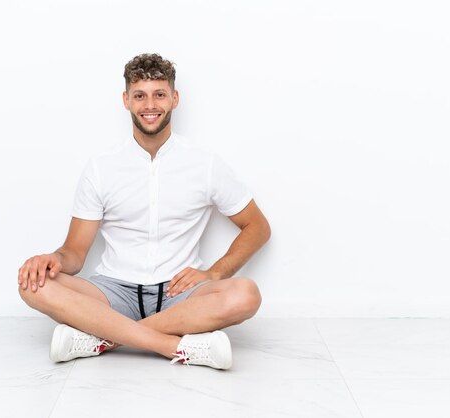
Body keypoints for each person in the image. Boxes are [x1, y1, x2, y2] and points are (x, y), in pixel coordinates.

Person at [17, 53, 271, 370]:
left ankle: (102, 339)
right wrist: (53, 259)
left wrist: (214, 273)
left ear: (174, 98)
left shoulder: (205, 164)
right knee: (32, 285)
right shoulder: (101, 167)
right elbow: (75, 252)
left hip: (180, 293)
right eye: (140, 95)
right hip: (111, 292)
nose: (150, 105)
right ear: (126, 100)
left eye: (159, 94)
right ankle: (173, 346)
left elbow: (257, 227)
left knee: (246, 294)